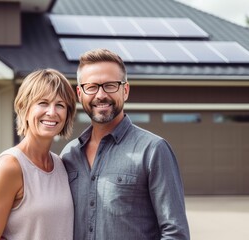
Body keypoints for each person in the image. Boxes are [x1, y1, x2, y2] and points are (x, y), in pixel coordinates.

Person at [61, 48, 190, 239]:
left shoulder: (153, 150)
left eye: (110, 85)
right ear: (80, 93)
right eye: (92, 87)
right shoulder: (69, 155)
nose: (101, 95)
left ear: (125, 90)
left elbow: (175, 233)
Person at [0, 68, 77, 240]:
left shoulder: (61, 165)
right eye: (43, 103)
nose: (52, 112)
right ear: (24, 108)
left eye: (60, 105)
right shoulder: (9, 167)